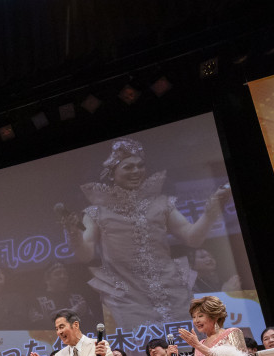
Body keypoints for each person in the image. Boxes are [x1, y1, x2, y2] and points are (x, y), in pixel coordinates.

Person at [58, 137, 231, 327]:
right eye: (128, 167)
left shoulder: (161, 203)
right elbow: (86, 254)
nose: (136, 171)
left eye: (140, 166)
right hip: (127, 297)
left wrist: (211, 211)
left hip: (172, 290)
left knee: (187, 340)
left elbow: (192, 238)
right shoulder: (96, 212)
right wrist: (73, 233)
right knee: (142, 343)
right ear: (112, 173)